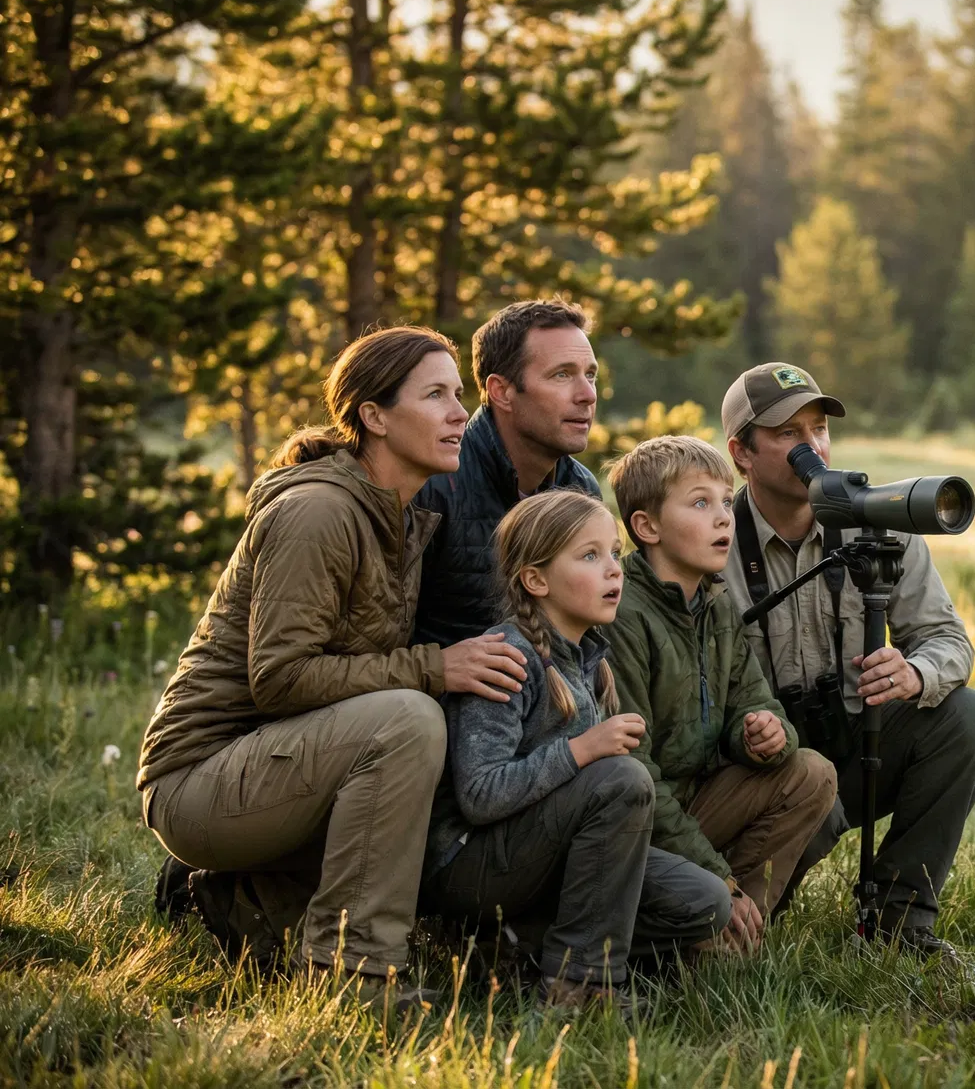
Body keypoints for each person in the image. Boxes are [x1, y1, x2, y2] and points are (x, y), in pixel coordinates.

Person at [139, 326, 533, 1006]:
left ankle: (250, 897)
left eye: (458, 395)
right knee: (409, 718)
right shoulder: (319, 513)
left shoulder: (402, 517)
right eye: (434, 395)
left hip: (278, 765)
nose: (455, 414)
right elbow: (282, 677)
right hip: (198, 780)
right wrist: (434, 668)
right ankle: (352, 975)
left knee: (436, 729)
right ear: (374, 417)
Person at [721, 362, 975, 957]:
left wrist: (914, 672)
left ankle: (904, 922)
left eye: (818, 429)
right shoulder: (711, 540)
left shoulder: (878, 526)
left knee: (968, 718)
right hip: (773, 771)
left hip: (864, 745)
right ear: (741, 453)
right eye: (789, 434)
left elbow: (948, 640)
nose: (812, 448)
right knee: (735, 938)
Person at [421, 489, 658, 1010]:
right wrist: (584, 749)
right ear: (535, 579)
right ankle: (580, 984)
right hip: (469, 866)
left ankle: (523, 947)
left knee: (699, 903)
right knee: (622, 780)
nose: (614, 570)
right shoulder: (507, 658)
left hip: (535, 851)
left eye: (615, 553)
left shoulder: (590, 658)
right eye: (590, 556)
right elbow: (480, 795)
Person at [604, 436, 839, 958]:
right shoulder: (624, 616)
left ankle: (729, 940)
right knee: (696, 865)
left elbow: (756, 701)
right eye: (699, 502)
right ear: (647, 527)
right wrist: (715, 874)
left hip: (696, 802)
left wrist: (763, 734)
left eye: (726, 500)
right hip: (635, 822)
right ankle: (701, 919)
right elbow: (634, 778)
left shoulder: (717, 604)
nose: (723, 518)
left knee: (810, 771)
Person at [413, 299, 602, 649]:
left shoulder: (580, 490)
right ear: (502, 391)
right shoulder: (431, 487)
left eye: (589, 374)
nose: (588, 394)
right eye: (562, 375)